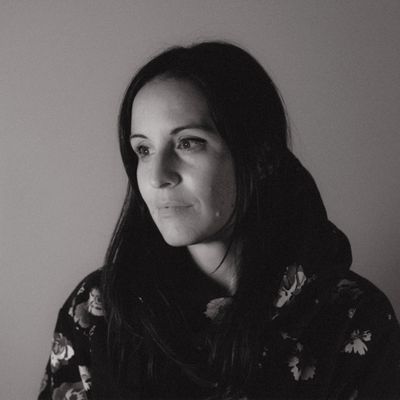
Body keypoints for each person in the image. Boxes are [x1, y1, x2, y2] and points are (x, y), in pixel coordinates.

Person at [38, 41, 400, 400]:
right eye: (143, 150)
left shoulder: (352, 316)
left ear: (260, 156)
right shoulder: (98, 310)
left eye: (188, 143)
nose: (157, 176)